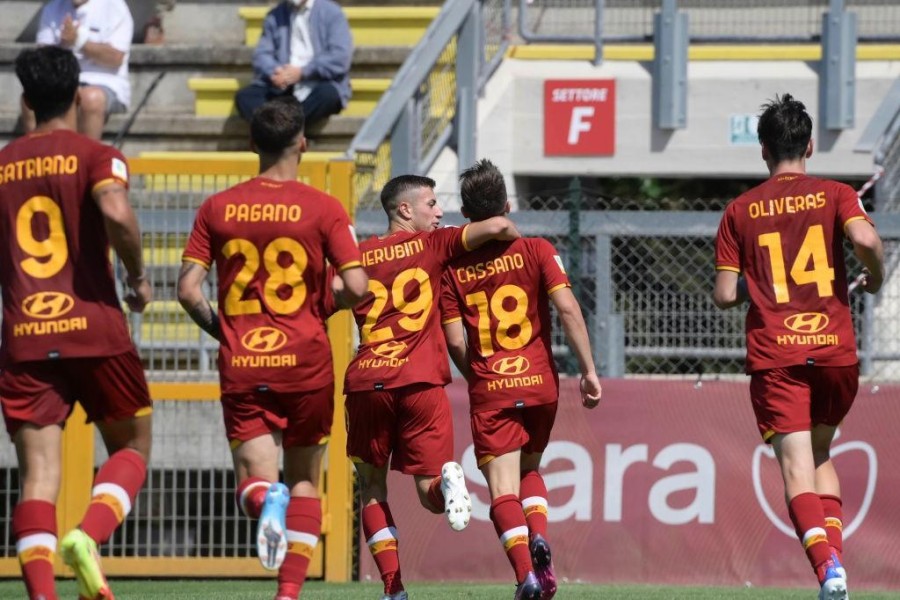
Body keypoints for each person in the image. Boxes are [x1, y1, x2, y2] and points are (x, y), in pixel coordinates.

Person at [177, 97, 367, 600]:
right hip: (306, 363)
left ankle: (269, 499)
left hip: (244, 362)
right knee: (307, 481)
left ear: (251, 144)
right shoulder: (324, 206)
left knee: (254, 487)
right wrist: (323, 304)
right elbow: (358, 285)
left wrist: (226, 331)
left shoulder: (216, 207)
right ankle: (287, 595)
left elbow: (187, 290)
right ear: (303, 143)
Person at [712, 94, 884, 600]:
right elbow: (867, 242)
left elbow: (724, 295)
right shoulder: (835, 193)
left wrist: (758, 284)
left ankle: (828, 570)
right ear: (810, 144)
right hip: (835, 352)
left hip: (777, 356)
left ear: (762, 151)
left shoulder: (739, 211)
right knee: (821, 450)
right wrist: (872, 278)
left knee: (795, 467)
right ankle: (837, 568)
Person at [1, 46, 153, 600]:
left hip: (25, 335)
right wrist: (137, 277)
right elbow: (115, 211)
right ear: (76, 96)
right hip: (94, 328)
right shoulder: (96, 154)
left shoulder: (2, 165)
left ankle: (42, 595)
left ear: (25, 101)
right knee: (133, 444)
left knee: (37, 477)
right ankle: (88, 537)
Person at [342, 174, 521, 600]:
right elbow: (496, 226)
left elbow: (332, 293)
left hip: (368, 380)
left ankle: (393, 587)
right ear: (405, 210)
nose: (440, 212)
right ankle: (449, 482)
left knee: (371, 488)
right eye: (431, 203)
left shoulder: (361, 256)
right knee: (430, 496)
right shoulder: (434, 244)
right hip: (420, 381)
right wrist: (512, 231)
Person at [440, 159, 602, 600]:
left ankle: (526, 575)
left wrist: (478, 375)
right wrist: (588, 370)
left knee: (501, 490)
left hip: (492, 386)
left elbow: (456, 342)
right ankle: (540, 538)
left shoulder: (452, 272)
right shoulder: (538, 250)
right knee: (531, 468)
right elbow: (569, 309)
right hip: (539, 384)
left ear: (467, 217)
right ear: (507, 205)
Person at [23, 0, 134, 140]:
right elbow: (43, 58)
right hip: (63, 80)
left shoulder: (115, 7)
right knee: (30, 97)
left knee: (90, 98)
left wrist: (78, 41)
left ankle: (88, 160)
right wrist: (62, 46)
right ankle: (37, 156)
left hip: (106, 83)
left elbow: (115, 58)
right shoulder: (52, 9)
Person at [234, 0, 352, 128]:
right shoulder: (275, 15)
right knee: (245, 97)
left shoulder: (332, 13)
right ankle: (286, 133)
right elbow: (262, 55)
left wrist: (302, 72)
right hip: (282, 87)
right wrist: (275, 71)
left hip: (318, 84)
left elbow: (339, 57)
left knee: (328, 95)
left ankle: (280, 133)